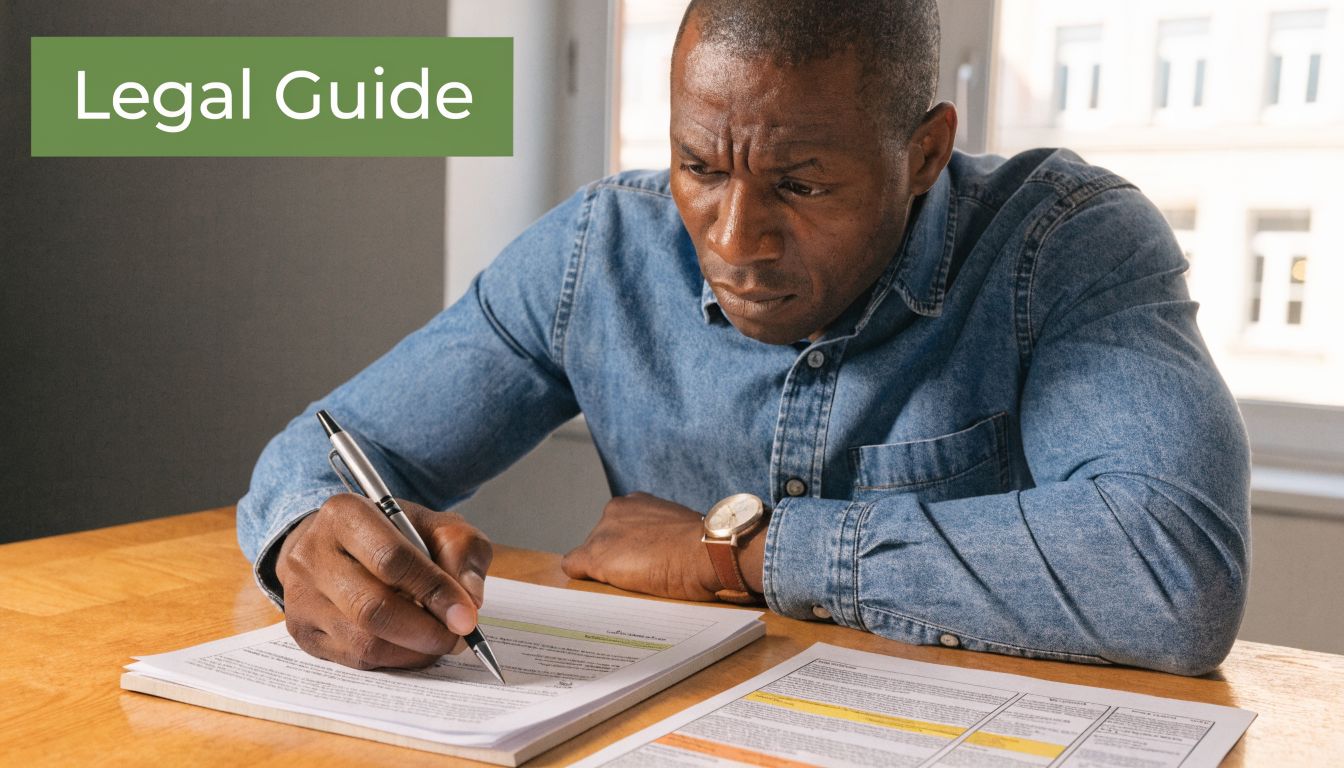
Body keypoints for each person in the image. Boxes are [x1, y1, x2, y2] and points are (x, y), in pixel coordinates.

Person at [238, 0, 1250, 677]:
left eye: (801, 185)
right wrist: (309, 541)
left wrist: (740, 556)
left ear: (926, 150)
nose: (731, 241)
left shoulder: (1065, 243)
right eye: (699, 166)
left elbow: (1173, 574)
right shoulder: (601, 252)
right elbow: (323, 454)